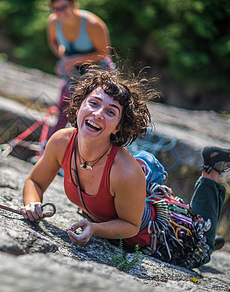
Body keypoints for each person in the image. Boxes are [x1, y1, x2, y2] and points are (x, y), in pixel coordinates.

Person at [20, 66, 228, 267]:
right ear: (80, 104)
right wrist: (32, 204)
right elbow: (35, 182)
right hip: (120, 217)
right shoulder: (61, 142)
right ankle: (216, 240)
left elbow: (131, 226)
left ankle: (211, 169)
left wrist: (94, 229)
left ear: (118, 126)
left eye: (110, 112)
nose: (98, 113)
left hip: (161, 235)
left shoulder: (124, 170)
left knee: (202, 248)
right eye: (93, 103)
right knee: (209, 238)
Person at [47, 0, 113, 138]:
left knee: (89, 109)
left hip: (97, 70)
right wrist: (64, 59)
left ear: (72, 4)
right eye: (55, 9)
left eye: (63, 7)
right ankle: (50, 145)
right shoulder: (54, 22)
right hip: (74, 70)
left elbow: (104, 53)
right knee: (64, 107)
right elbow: (53, 42)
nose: (60, 12)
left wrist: (73, 60)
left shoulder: (92, 24)